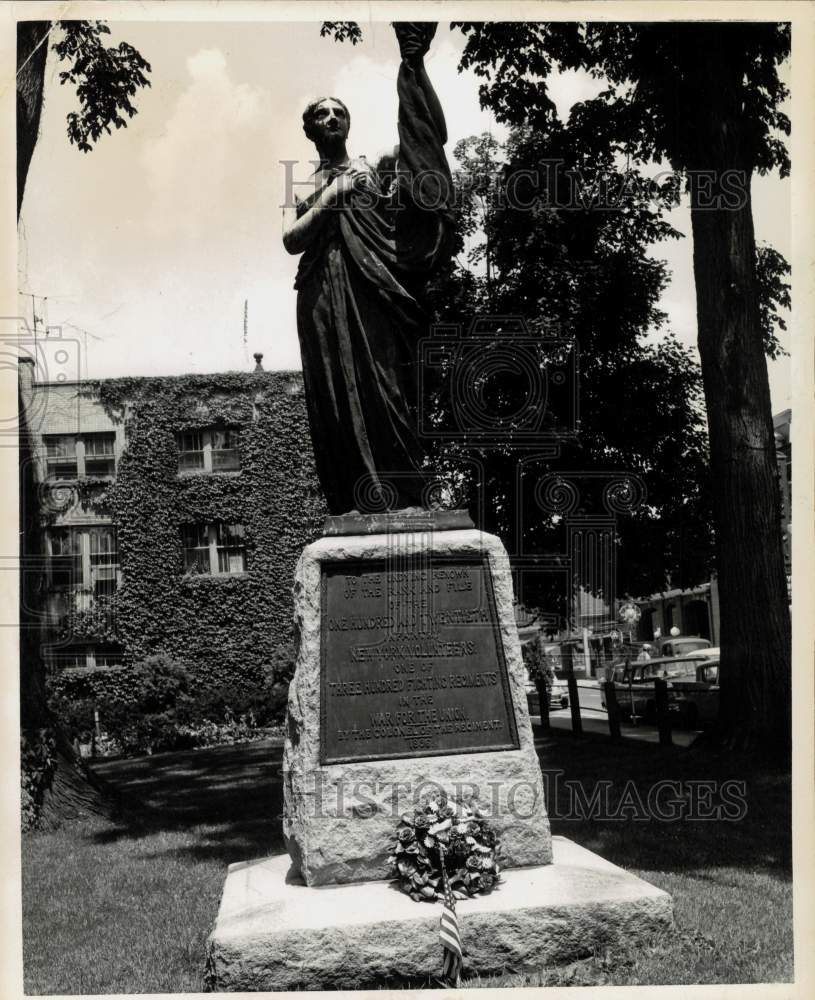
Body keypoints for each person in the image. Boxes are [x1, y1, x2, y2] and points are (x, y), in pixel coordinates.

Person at [282, 23, 454, 515]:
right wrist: (335, 195)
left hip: (371, 288)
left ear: (348, 125)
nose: (332, 118)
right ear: (310, 128)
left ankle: (409, 496)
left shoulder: (371, 164)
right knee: (336, 393)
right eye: (322, 114)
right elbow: (291, 240)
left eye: (339, 112)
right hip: (320, 296)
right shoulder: (302, 183)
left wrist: (415, 69)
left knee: (385, 384)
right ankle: (353, 502)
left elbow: (427, 135)